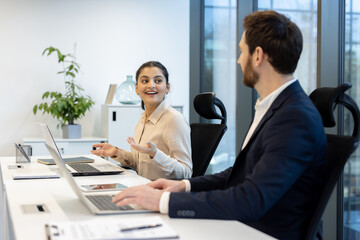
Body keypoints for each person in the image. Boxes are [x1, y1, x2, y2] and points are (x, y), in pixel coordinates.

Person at [111, 10, 327, 240]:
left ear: (258, 56)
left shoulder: (293, 117)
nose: (238, 60)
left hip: (262, 232)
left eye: (241, 51)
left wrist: (164, 201)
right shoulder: (276, 107)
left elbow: (250, 200)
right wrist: (184, 186)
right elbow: (239, 174)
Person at [91, 61, 192, 180]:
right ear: (136, 88)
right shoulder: (143, 118)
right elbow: (140, 164)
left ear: (167, 87)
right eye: (145, 81)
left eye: (158, 81)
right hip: (142, 186)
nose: (151, 85)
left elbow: (186, 172)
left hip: (161, 192)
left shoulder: (174, 120)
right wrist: (116, 152)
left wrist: (155, 154)